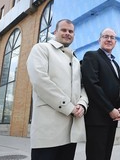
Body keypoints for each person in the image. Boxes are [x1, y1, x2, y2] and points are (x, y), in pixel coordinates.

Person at [26, 19, 88, 160]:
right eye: (64, 30)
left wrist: (82, 104)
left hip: (70, 131)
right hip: (48, 131)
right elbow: (40, 81)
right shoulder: (41, 48)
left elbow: (83, 87)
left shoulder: (76, 60)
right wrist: (69, 107)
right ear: (55, 32)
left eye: (70, 31)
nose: (67, 33)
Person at [81, 28, 120, 160]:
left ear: (115, 42)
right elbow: (92, 85)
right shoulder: (91, 56)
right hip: (97, 118)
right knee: (96, 156)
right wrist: (110, 109)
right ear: (100, 40)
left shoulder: (115, 64)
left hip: (112, 118)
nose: (109, 40)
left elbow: (119, 88)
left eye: (112, 38)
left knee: (106, 155)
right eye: (106, 36)